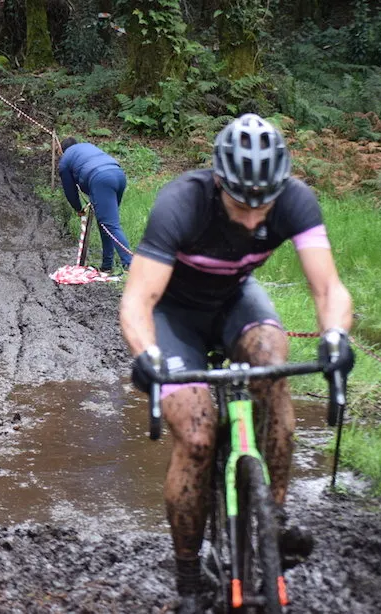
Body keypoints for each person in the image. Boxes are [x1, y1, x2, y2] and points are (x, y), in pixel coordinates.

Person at [118, 114, 354, 613]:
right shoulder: (182, 203)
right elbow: (138, 300)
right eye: (240, 204)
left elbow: (328, 287)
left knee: (274, 365)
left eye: (262, 205)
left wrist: (334, 337)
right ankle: (187, 577)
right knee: (199, 436)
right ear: (220, 181)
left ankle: (277, 517)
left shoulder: (295, 200)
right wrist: (146, 356)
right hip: (174, 314)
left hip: (235, 302)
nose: (251, 219)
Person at [58, 136, 132, 272]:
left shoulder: (65, 159)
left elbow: (70, 191)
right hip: (118, 174)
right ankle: (107, 265)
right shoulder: (86, 146)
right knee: (105, 223)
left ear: (61, 150)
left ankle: (130, 265)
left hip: (100, 179)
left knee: (110, 225)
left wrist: (78, 209)